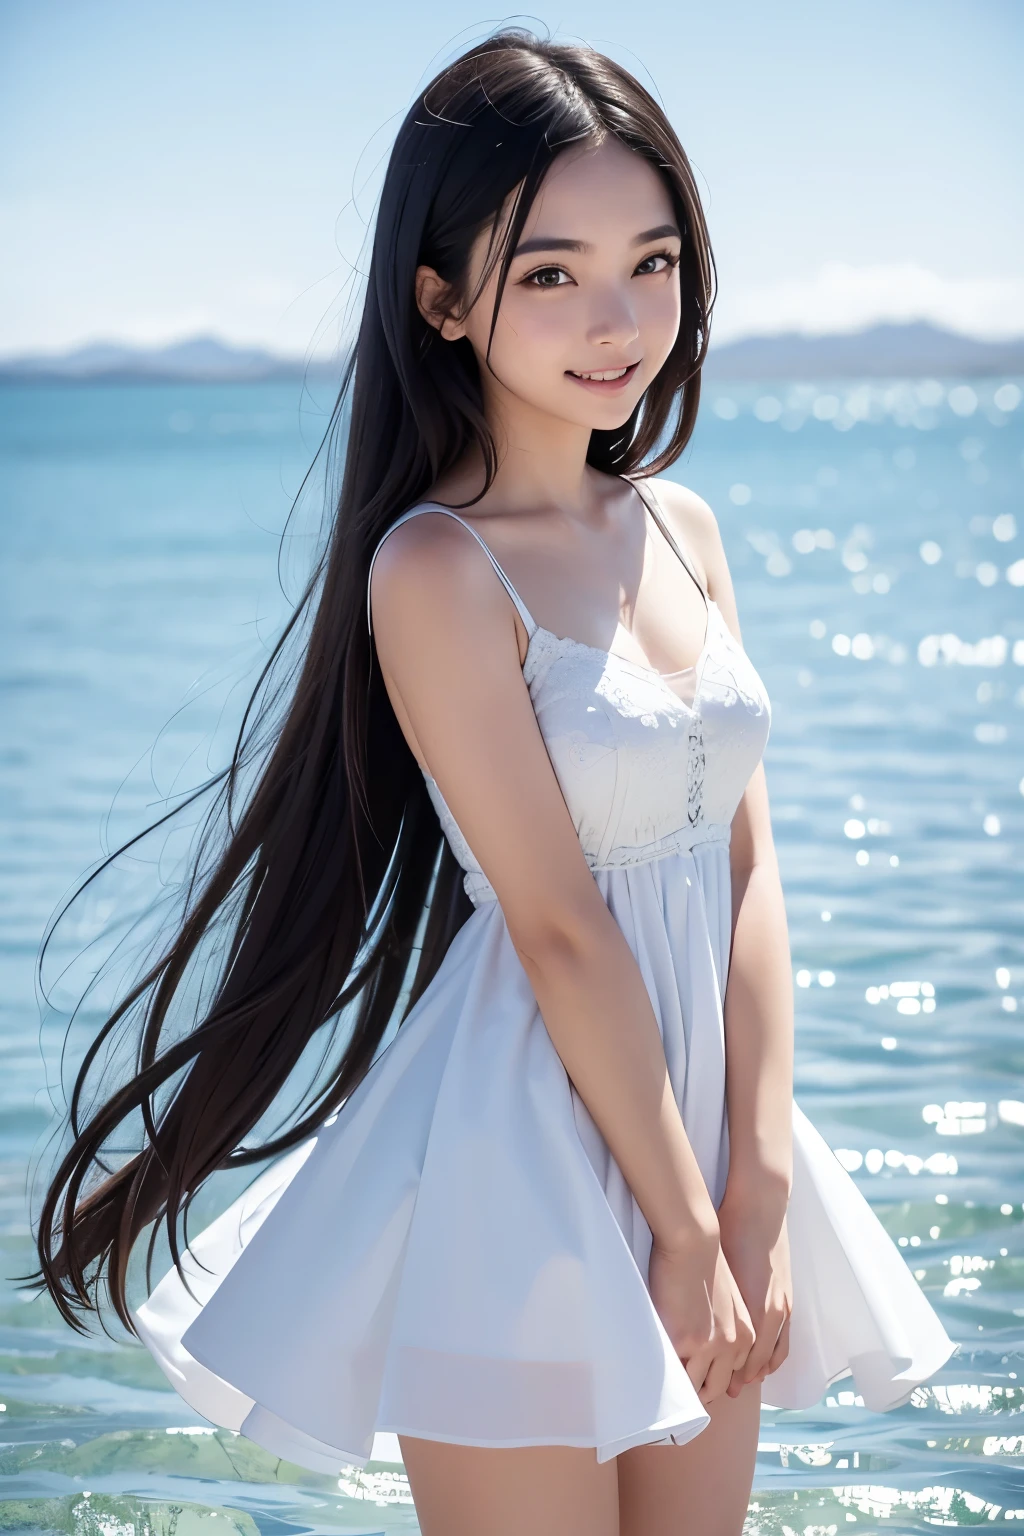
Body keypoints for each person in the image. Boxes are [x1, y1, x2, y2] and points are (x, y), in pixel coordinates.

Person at [31, 31, 954, 1536]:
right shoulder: (437, 570)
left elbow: (748, 874)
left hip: (711, 1149)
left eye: (652, 264)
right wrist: (679, 1222)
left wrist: (758, 1189)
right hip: (529, 1150)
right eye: (550, 274)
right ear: (443, 300)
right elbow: (558, 925)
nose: (618, 318)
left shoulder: (686, 531)